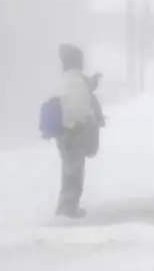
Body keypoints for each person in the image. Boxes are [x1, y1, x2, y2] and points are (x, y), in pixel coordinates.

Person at [53, 43, 104, 218]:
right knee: (74, 170)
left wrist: (94, 81)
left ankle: (67, 206)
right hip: (73, 131)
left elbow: (87, 86)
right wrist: (89, 122)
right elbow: (80, 108)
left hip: (64, 132)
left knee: (70, 168)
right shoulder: (75, 81)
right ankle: (67, 207)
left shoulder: (67, 79)